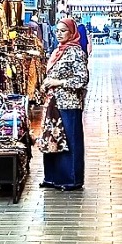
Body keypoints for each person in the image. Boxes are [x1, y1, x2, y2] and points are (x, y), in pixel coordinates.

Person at [40, 18, 89, 191]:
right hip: (54, 102)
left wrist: (57, 82)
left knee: (70, 140)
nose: (59, 34)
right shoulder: (58, 51)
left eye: (63, 31)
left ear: (72, 33)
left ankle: (71, 179)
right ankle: (53, 177)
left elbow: (82, 79)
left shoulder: (75, 52)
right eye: (57, 30)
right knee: (53, 138)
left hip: (69, 103)